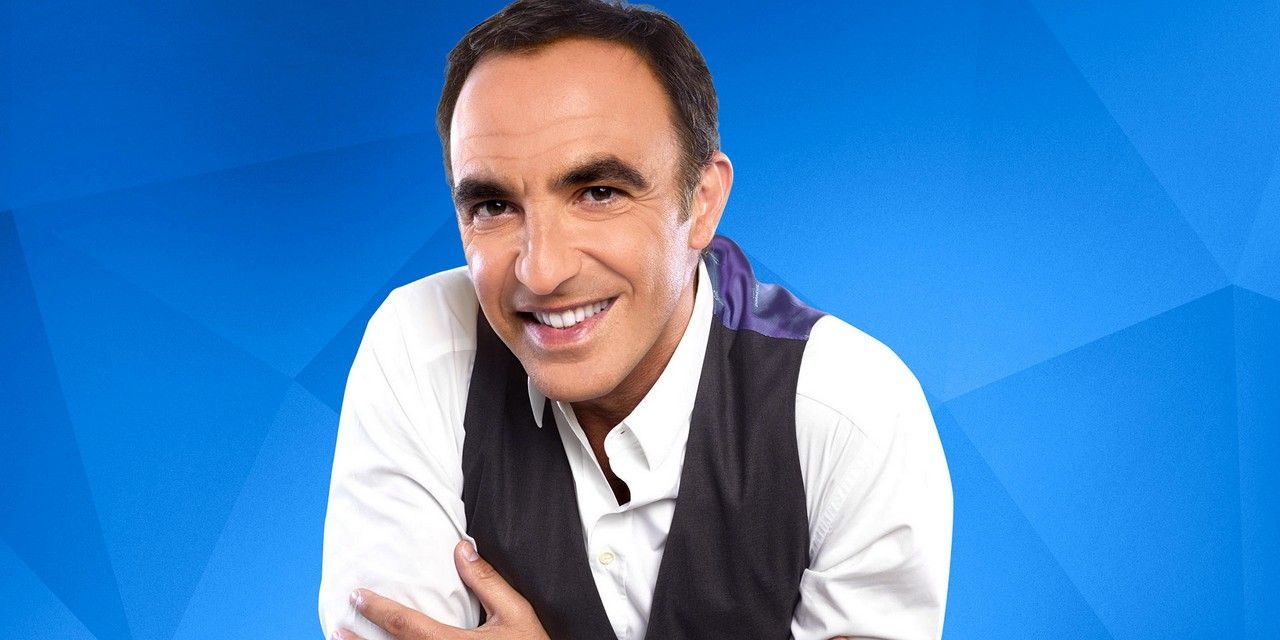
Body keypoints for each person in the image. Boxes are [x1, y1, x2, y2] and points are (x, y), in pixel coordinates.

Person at [318, 1, 953, 638]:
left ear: (702, 203)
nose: (542, 272)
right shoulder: (422, 347)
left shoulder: (848, 408)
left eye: (598, 193)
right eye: (493, 205)